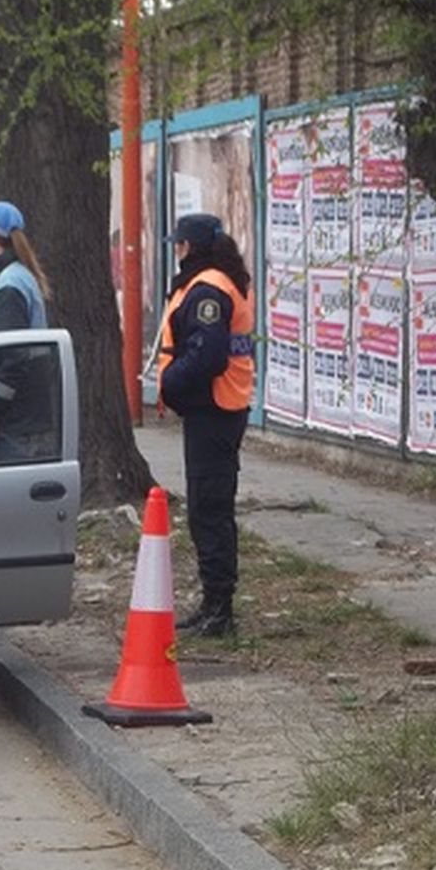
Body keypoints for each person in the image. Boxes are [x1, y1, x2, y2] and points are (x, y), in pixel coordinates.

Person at [158, 214, 254, 638]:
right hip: (216, 408)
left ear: (190, 246)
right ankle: (214, 603)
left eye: (179, 244)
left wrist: (170, 383)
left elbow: (208, 355)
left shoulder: (208, 289)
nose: (176, 251)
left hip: (215, 410)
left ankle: (219, 608)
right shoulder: (212, 281)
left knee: (209, 508)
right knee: (207, 506)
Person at [0, 201, 55, 457]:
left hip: (16, 421)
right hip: (29, 413)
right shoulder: (20, 277)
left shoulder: (7, 287)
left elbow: (10, 357)